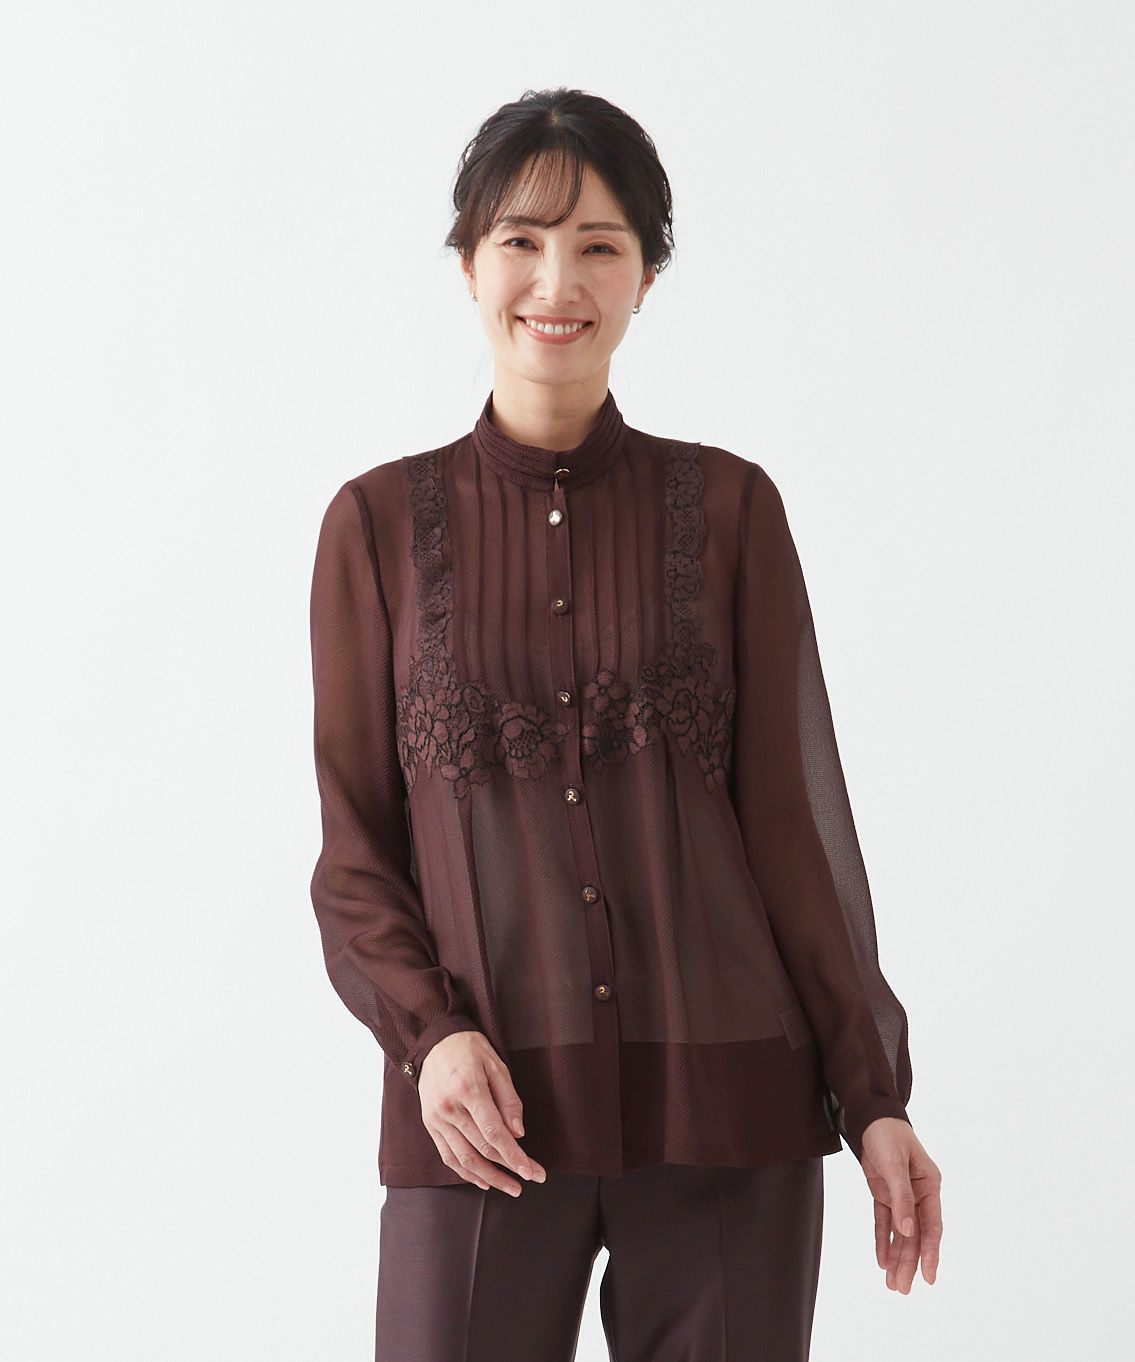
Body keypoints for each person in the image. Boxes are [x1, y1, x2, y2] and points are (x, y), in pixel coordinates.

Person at [308, 86, 943, 1362]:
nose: (559, 281)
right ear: (469, 262)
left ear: (646, 276)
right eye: (522, 240)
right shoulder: (374, 528)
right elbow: (355, 853)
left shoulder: (732, 511)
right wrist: (431, 1041)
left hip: (729, 1109)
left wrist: (871, 1094)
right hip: (482, 1117)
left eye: (599, 244)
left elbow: (792, 833)